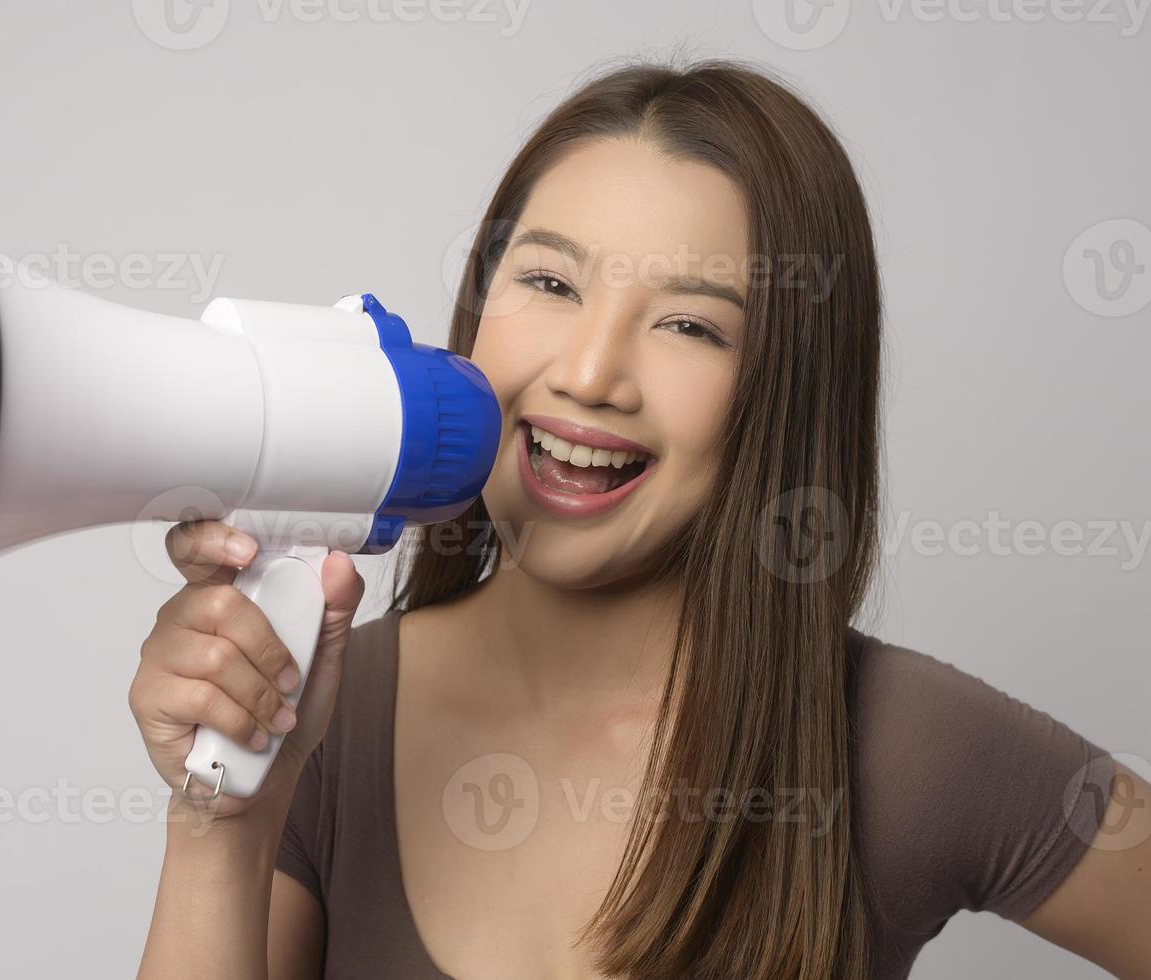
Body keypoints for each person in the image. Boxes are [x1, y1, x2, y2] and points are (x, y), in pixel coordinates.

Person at [128, 59, 1150, 980]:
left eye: (689, 323)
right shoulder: (326, 711)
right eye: (549, 281)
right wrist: (224, 814)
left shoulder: (899, 746)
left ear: (780, 393)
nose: (588, 373)